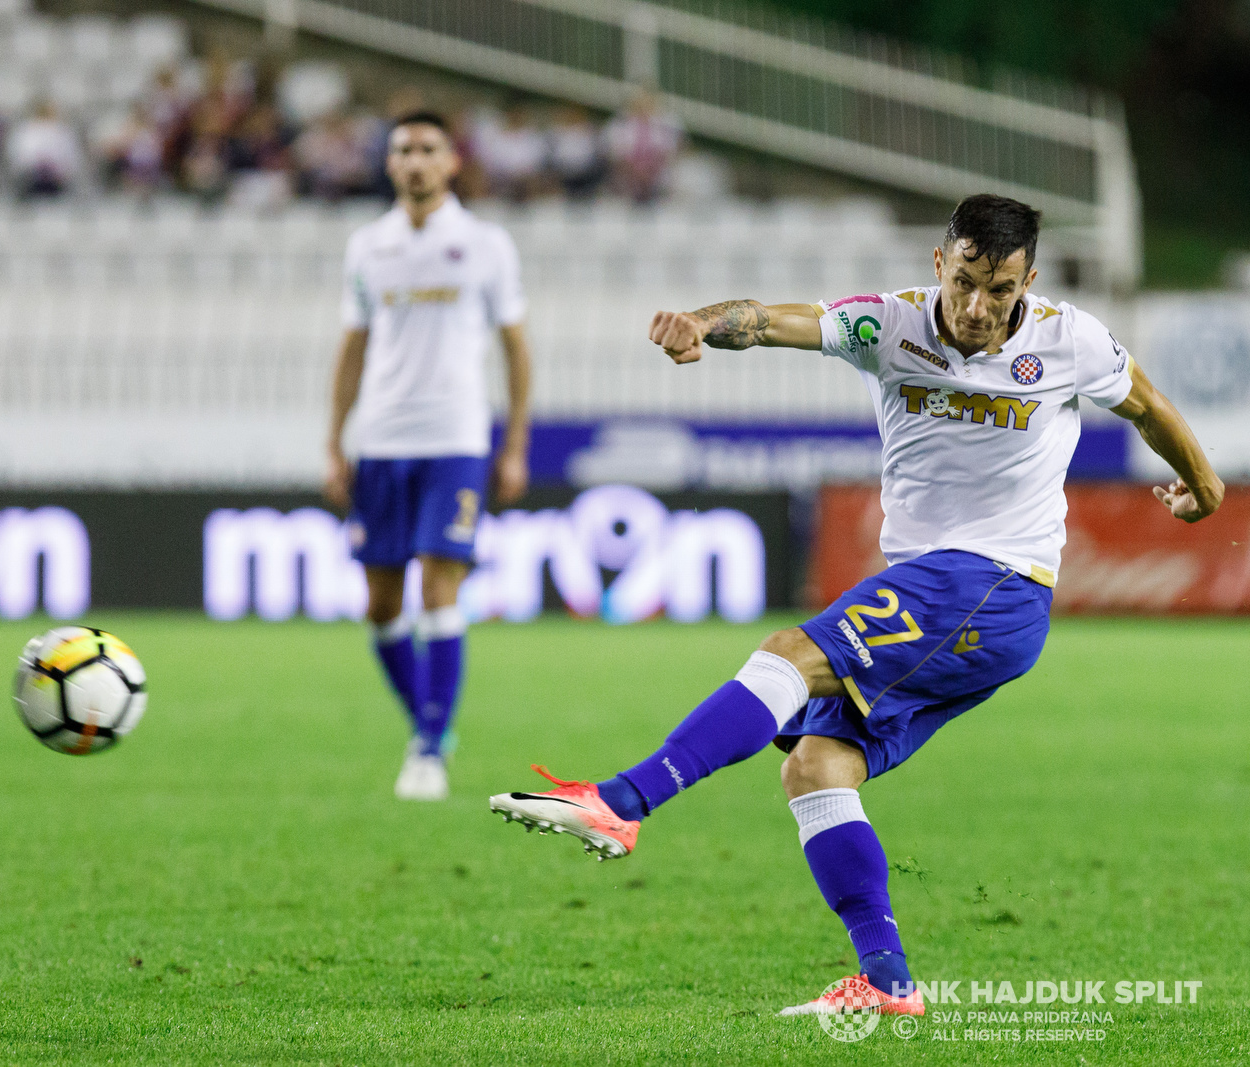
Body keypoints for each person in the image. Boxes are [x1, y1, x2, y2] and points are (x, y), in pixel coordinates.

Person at [490, 194, 1223, 1013]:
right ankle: (887, 979)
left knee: (790, 655)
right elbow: (768, 321)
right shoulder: (891, 326)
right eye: (967, 282)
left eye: (1003, 291)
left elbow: (1148, 404)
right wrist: (700, 323)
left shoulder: (1071, 339)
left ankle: (622, 801)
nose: (980, 308)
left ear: (1030, 281)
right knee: (815, 767)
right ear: (940, 263)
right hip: (949, 595)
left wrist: (1203, 482)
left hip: (995, 581)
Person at [324, 112, 533, 801]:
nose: (415, 160)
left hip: (455, 439)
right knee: (381, 605)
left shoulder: (484, 244)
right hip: (382, 441)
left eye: (428, 149)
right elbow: (354, 347)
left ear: (451, 163)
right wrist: (335, 439)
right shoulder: (368, 246)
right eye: (403, 149)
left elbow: (515, 347)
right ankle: (432, 726)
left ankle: (428, 749)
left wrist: (515, 443)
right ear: (389, 165)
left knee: (439, 586)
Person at [6, 99, 82, 199]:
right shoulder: (24, 132)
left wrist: (55, 170)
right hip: (31, 180)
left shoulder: (63, 131)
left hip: (58, 181)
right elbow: (17, 158)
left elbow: (71, 158)